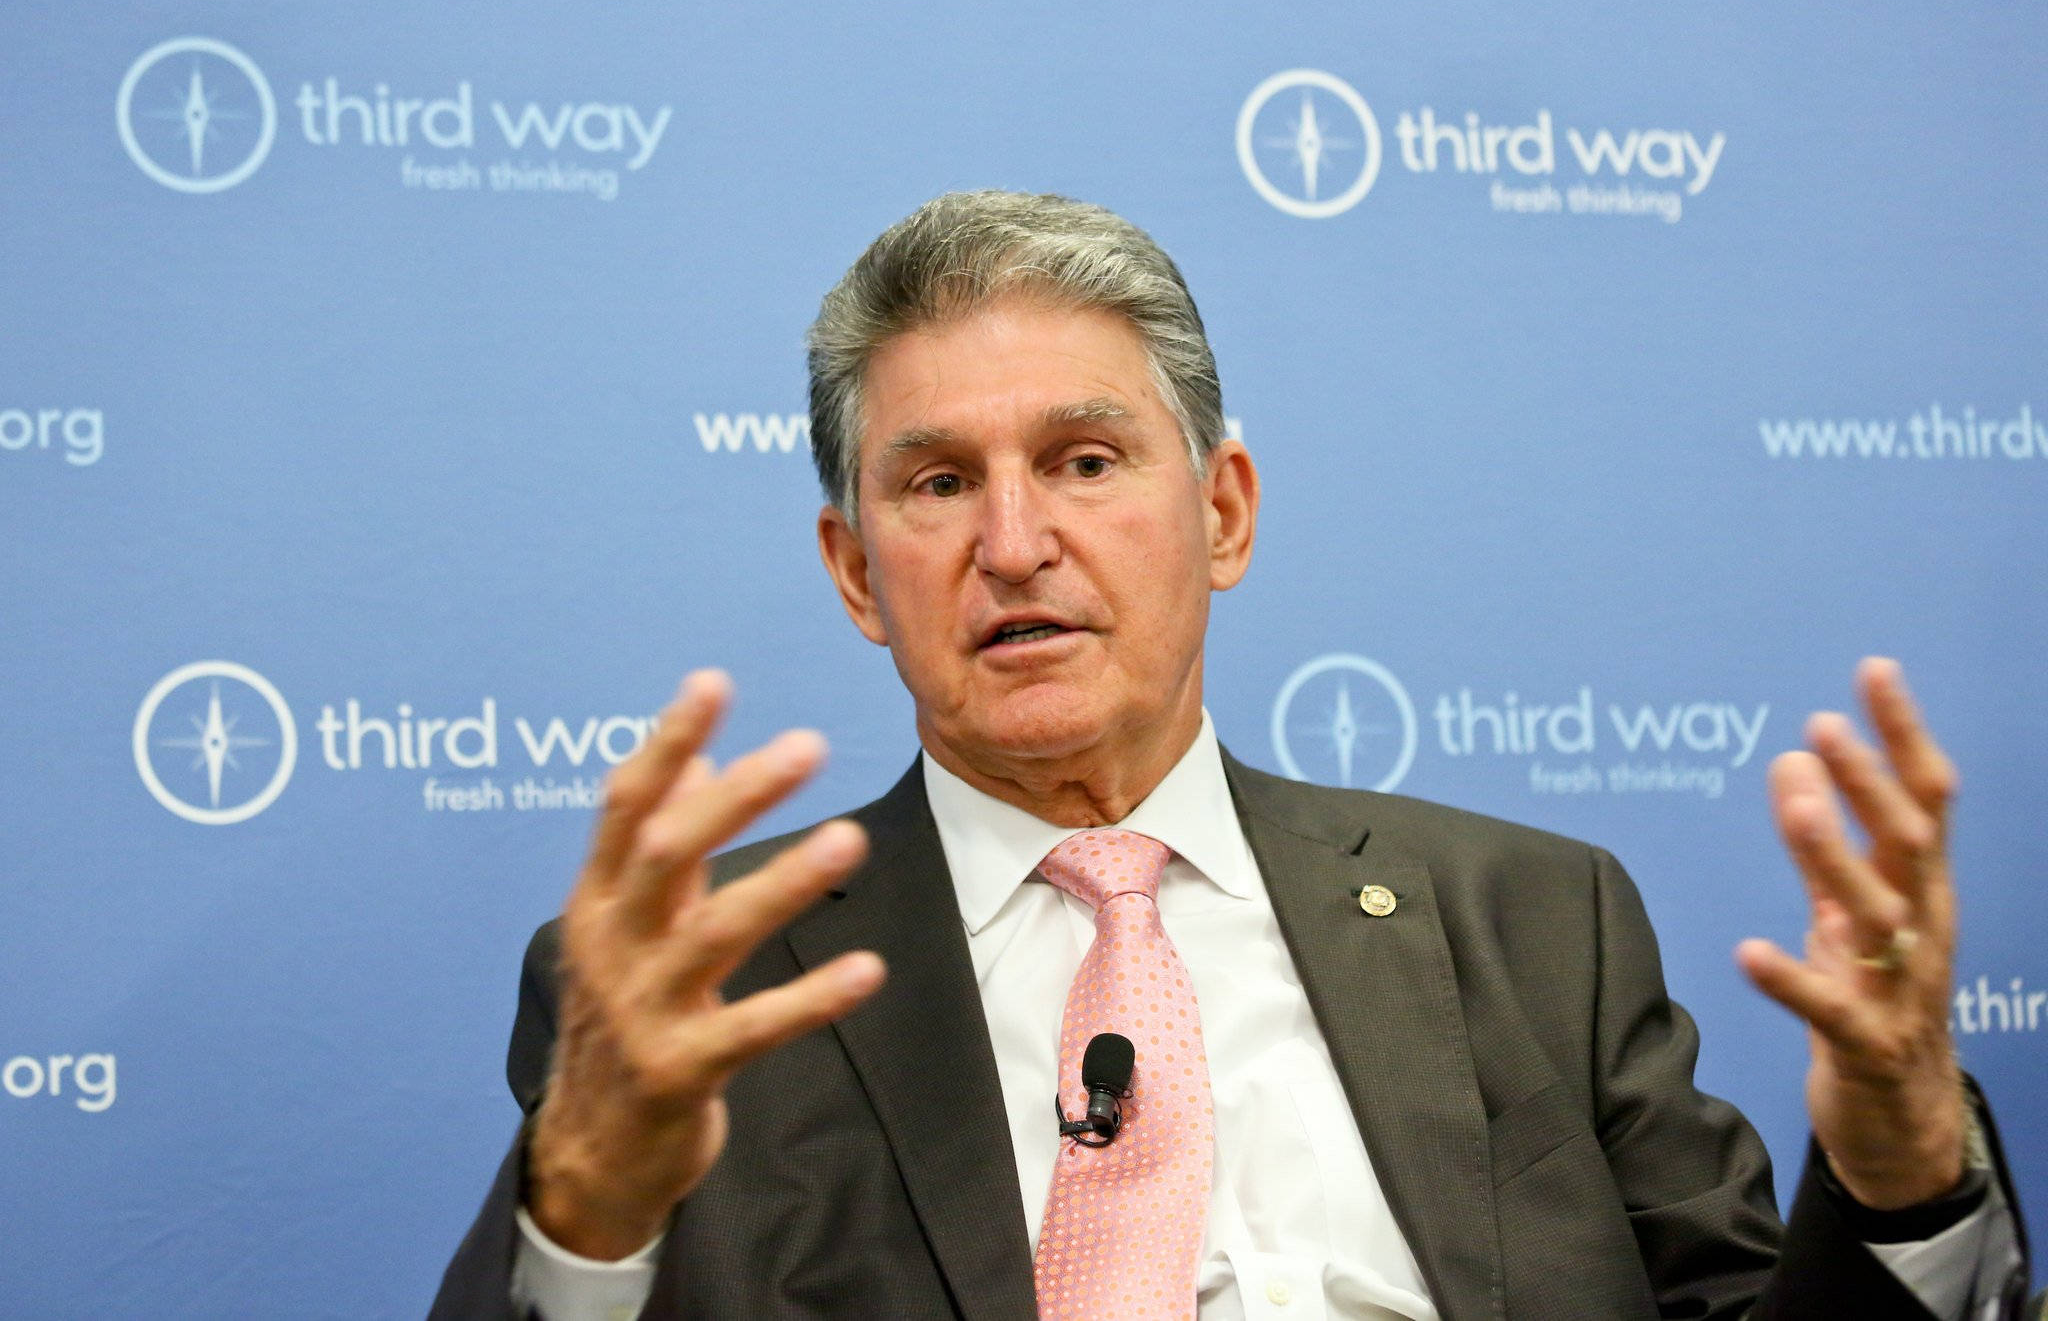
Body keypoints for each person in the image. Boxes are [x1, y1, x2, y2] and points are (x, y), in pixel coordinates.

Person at [433, 191, 2027, 1319]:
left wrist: (1902, 1168)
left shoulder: (1538, 923)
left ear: (1224, 514)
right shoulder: (697, 990)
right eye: (937, 483)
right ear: (857, 573)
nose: (1014, 540)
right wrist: (588, 1219)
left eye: (1084, 460)